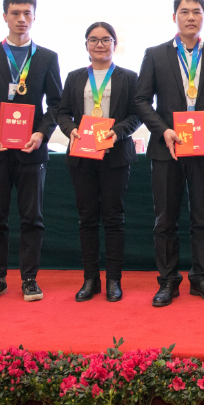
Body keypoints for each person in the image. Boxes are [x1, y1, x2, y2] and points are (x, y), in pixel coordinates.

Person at [135, 0, 204, 307]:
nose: (191, 17)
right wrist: (163, 130)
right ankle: (168, 281)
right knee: (165, 219)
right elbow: (141, 100)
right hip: (168, 148)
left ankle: (201, 278)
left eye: (197, 12)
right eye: (184, 12)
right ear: (174, 17)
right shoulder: (155, 55)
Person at [0, 0, 63, 302]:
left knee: (32, 218)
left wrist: (42, 134)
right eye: (15, 13)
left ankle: (30, 279)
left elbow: (57, 104)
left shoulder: (47, 57)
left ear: (35, 16)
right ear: (4, 16)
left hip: (31, 150)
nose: (22, 19)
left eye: (27, 13)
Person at [56, 22, 141, 302]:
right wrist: (71, 129)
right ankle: (90, 279)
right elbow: (62, 112)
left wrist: (117, 132)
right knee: (87, 219)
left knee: (114, 219)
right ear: (86, 45)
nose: (100, 45)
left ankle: (114, 280)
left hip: (115, 156)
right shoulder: (75, 77)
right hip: (83, 156)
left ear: (115, 44)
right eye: (93, 40)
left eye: (106, 40)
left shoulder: (129, 77)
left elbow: (137, 115)